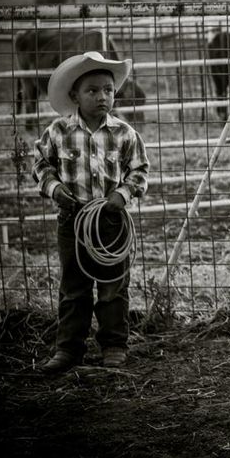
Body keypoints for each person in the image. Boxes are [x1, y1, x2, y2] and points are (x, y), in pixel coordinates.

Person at [32, 51, 149, 372]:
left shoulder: (125, 133)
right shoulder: (58, 131)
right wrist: (56, 190)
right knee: (74, 286)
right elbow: (41, 165)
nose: (102, 97)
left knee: (113, 286)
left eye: (108, 90)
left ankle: (114, 345)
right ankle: (69, 348)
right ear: (75, 96)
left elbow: (139, 171)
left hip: (110, 221)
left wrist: (122, 195)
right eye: (93, 91)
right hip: (73, 220)